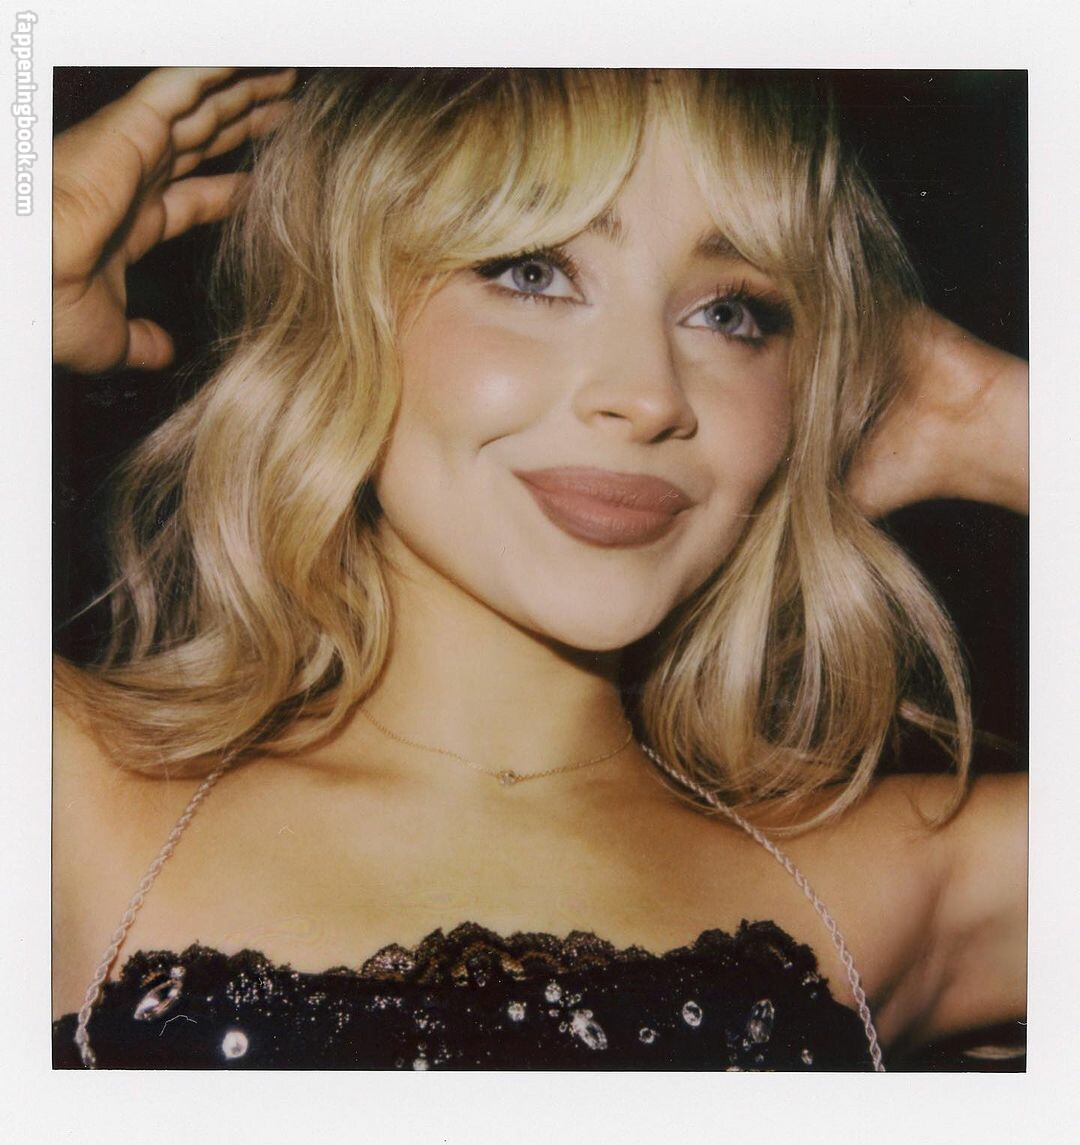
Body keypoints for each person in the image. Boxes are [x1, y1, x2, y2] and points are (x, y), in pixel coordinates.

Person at [51, 67, 1028, 1071]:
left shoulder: (907, 880)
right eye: (533, 272)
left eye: (731, 314)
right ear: (341, 306)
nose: (649, 395)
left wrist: (986, 417)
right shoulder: (73, 791)